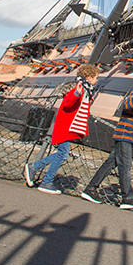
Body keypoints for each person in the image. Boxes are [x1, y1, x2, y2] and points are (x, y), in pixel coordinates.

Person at [82, 69, 133, 209]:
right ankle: (127, 197)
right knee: (125, 166)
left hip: (128, 134)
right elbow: (127, 105)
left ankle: (90, 189)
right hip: (125, 135)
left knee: (110, 163)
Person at [24, 64, 99, 194]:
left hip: (69, 125)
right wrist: (76, 93)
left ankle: (34, 168)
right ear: (89, 77)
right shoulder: (79, 88)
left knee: (62, 154)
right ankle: (44, 179)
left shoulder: (84, 88)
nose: (97, 80)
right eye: (96, 77)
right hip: (66, 125)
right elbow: (68, 103)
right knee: (62, 154)